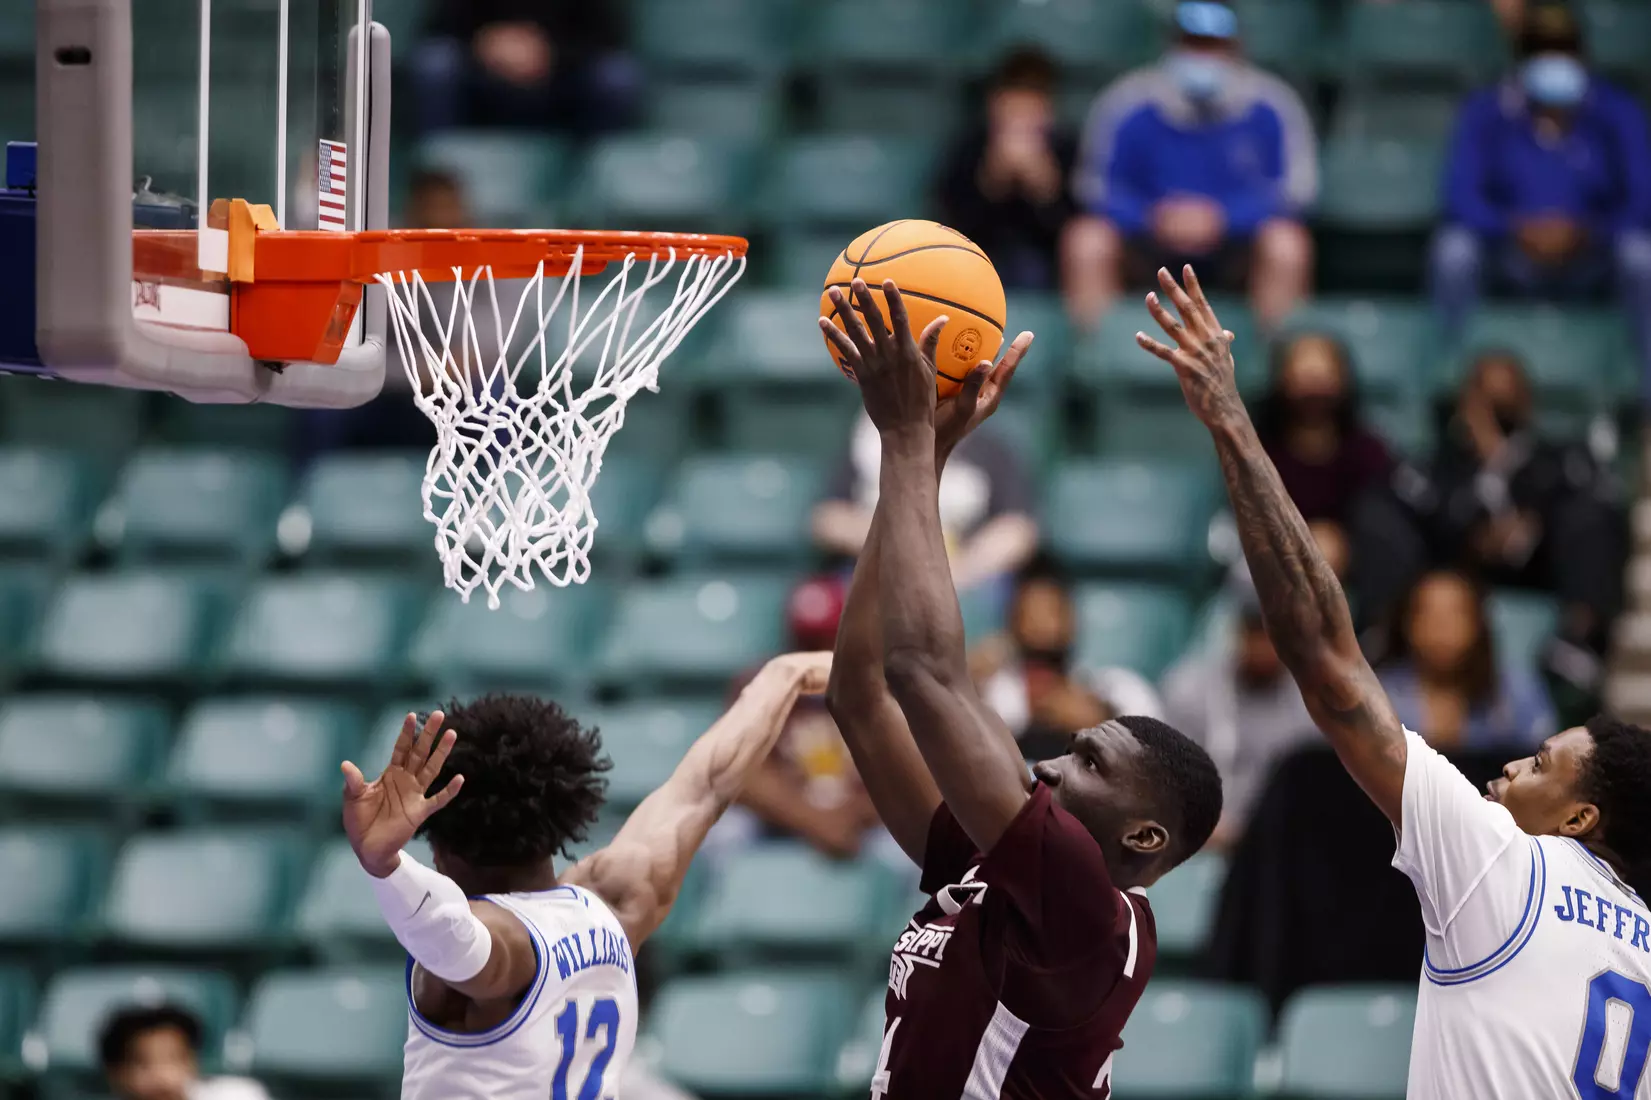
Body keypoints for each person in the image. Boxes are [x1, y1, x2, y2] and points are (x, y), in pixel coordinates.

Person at [1138, 261, 1651, 1099]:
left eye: (1539, 764)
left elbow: (1326, 662)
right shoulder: (1640, 936)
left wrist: (1232, 422)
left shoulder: (1499, 861)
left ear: (1578, 818)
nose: (1509, 764)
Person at [819, 279, 1222, 1097]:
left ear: (1143, 836)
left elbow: (921, 672)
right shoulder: (995, 871)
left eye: (1090, 764)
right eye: (1072, 750)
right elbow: (859, 694)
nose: (1048, 767)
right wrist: (921, 467)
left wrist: (907, 442)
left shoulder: (1089, 916)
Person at [339, 655, 831, 1100]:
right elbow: (705, 784)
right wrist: (782, 677)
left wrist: (387, 866)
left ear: (439, 841)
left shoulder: (504, 946)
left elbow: (454, 936)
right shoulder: (614, 905)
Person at [1354, 349, 1625, 699]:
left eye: (1505, 398)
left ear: (1527, 402)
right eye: (1485, 396)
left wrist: (1508, 478)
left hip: (1543, 566)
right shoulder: (1439, 464)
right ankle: (1382, 633)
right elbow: (1422, 506)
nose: (1494, 406)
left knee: (1591, 516)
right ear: (1465, 404)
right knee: (1379, 515)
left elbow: (1579, 499)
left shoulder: (1560, 458)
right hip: (1459, 562)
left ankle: (1579, 641)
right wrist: (1473, 526)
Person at [1430, 2, 1651, 399]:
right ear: (1521, 57)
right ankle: (1447, 382)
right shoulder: (1487, 111)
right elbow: (1460, 196)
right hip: (1511, 255)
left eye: (1563, 48)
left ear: (1582, 53)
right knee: (1454, 252)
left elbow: (1641, 198)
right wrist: (1514, 227)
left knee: (1642, 258)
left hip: (1591, 255)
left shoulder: (1617, 111)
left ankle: (1648, 394)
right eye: (1540, 49)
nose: (1553, 59)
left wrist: (1589, 231)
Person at [1064, 0, 1316, 330]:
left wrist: (1224, 218)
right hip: (1147, 245)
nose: (1202, 55)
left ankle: (1279, 353)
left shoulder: (1272, 105)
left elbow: (1296, 190)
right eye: (1192, 43)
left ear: (1235, 47)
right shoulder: (1127, 102)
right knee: (1086, 241)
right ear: (1172, 44)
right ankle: (1095, 350)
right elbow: (1094, 186)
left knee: (1287, 245)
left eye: (1212, 45)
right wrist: (1152, 217)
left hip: (1236, 249)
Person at [1161, 566, 1317, 849]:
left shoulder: (1314, 703)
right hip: (1206, 848)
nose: (1265, 643)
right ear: (1237, 627)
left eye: (1275, 631)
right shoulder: (1190, 691)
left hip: (1287, 849)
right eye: (1256, 629)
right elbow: (1167, 794)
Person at [728, 577, 883, 860]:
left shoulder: (882, 689)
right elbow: (743, 775)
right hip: (783, 818)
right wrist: (810, 819)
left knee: (915, 851)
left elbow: (909, 779)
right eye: (807, 641)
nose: (817, 651)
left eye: (827, 640)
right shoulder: (760, 684)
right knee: (725, 834)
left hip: (865, 823)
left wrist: (853, 814)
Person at [812, 410, 1038, 601]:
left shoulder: (989, 448)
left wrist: (964, 568)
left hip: (966, 578)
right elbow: (829, 520)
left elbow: (1019, 529)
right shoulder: (866, 444)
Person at [973, 555, 1164, 762]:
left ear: (1072, 618)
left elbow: (1159, 760)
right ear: (1011, 623)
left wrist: (1101, 718)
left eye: (1052, 612)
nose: (1042, 627)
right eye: (1028, 615)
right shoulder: (996, 694)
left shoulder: (1122, 689)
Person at [936, 46, 1078, 291]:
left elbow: (1073, 229)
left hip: (1048, 268)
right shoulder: (970, 146)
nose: (1022, 107)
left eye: (1034, 94)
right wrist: (992, 181)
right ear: (994, 101)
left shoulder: (1066, 148)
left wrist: (1044, 189)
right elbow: (952, 223)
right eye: (1014, 92)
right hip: (975, 258)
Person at [1375, 568, 1555, 750]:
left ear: (1478, 624)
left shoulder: (1517, 688)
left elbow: (1545, 756)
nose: (1441, 628)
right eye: (1427, 614)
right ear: (1406, 624)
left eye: (1456, 614)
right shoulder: (1380, 694)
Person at [412, 0, 639, 136]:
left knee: (616, 75)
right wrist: (485, 44)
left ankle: (596, 183)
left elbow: (608, 35)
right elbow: (439, 26)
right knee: (435, 62)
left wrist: (549, 53)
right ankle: (439, 177)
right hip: (481, 82)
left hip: (562, 85)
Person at [1252, 331, 1393, 530]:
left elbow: (1383, 521)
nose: (1313, 391)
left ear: (1343, 379)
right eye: (1304, 379)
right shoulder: (1259, 451)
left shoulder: (1369, 452)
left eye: (1323, 380)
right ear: (1282, 380)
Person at [98, 1004, 269, 1100]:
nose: (161, 1076)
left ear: (193, 1062)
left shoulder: (237, 1095)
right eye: (143, 1064)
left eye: (174, 1059)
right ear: (114, 1073)